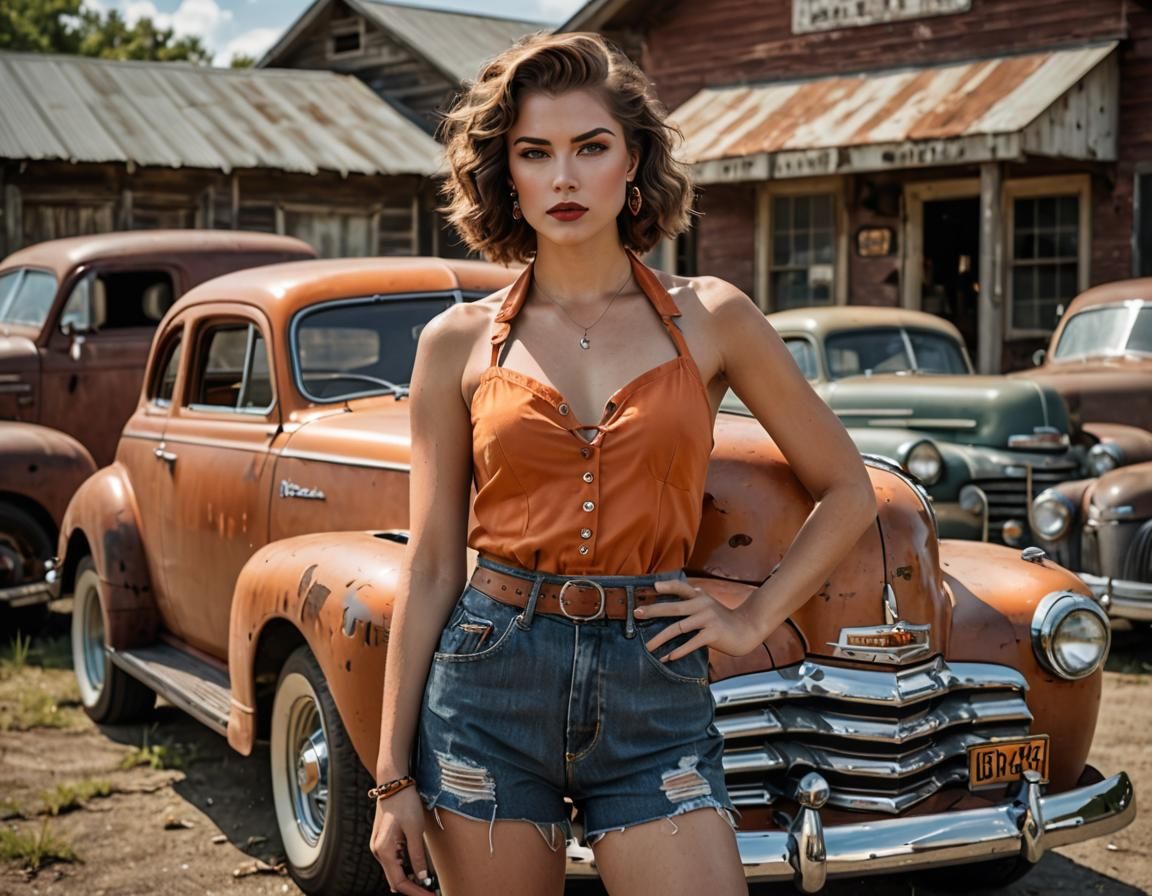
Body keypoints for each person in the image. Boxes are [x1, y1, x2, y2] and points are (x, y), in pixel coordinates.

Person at [369, 31, 876, 896]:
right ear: (507, 173)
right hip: (488, 681)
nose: (564, 178)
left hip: (654, 683)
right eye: (535, 153)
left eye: (591, 147)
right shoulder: (455, 340)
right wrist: (390, 779)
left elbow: (848, 490)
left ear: (633, 159)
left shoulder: (712, 316)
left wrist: (751, 619)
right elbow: (431, 565)